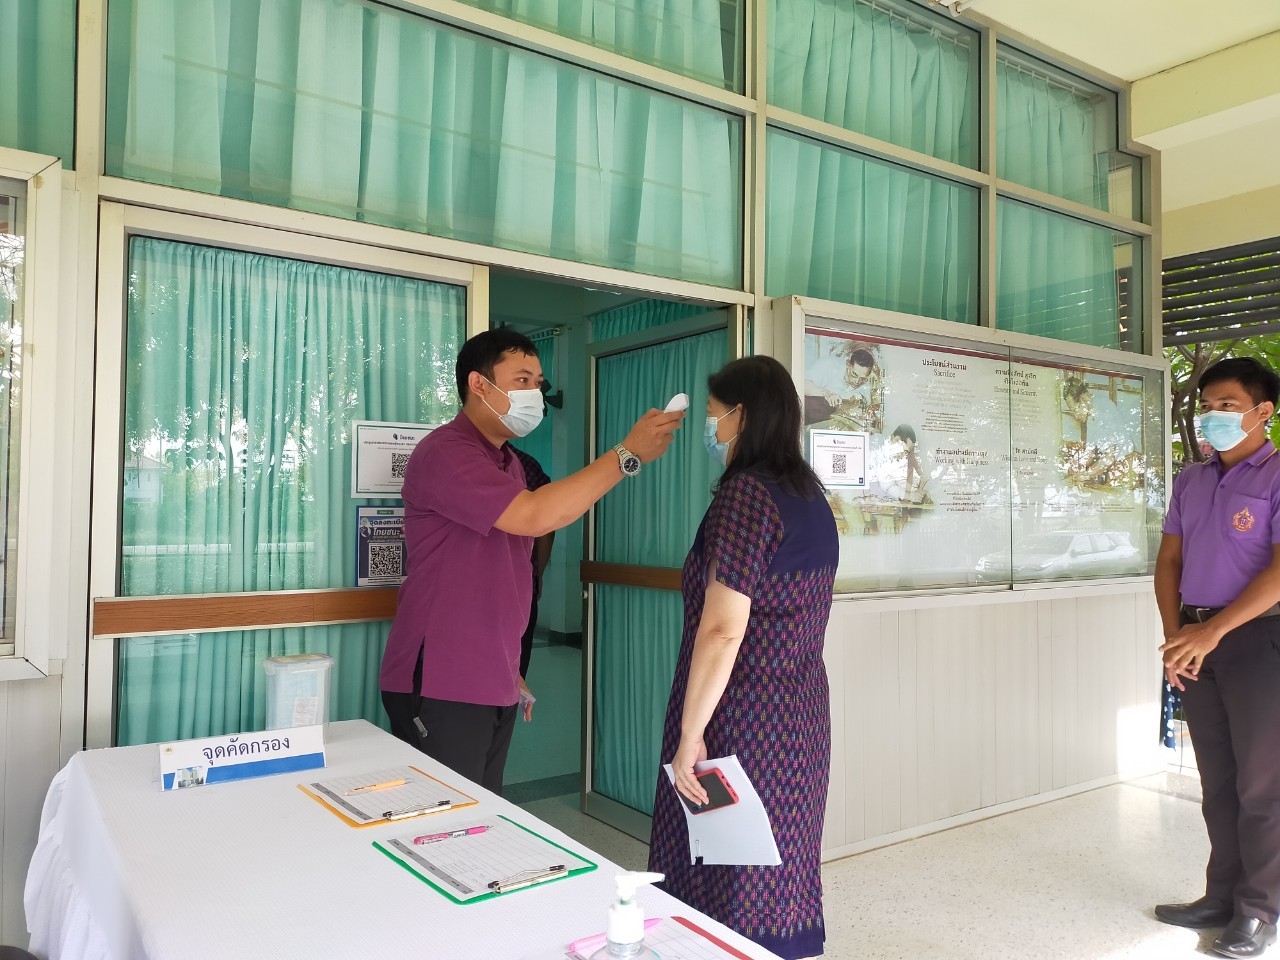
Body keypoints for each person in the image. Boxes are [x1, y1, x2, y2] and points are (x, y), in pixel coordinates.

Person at [379, 329, 684, 795]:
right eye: (521, 380)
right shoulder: (446, 452)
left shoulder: (509, 462)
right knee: (446, 816)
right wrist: (625, 455)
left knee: (484, 810)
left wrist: (507, 664)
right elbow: (536, 515)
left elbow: (512, 563)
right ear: (479, 384)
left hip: (491, 672)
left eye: (538, 383)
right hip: (443, 677)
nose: (534, 394)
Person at [648, 355, 838, 959]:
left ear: (742, 416)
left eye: (713, 414)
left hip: (740, 718)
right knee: (778, 865)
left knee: (725, 866)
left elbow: (722, 630)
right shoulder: (808, 495)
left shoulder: (746, 497)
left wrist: (690, 737)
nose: (710, 427)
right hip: (799, 716)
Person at [1155, 356, 1280, 959]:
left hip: (1260, 640)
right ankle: (1221, 895)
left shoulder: (1277, 475)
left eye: (1227, 405)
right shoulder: (1192, 480)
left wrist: (1214, 632)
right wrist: (1177, 636)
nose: (1213, 416)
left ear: (1263, 412)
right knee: (1218, 781)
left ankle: (1258, 910)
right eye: (1207, 406)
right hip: (1196, 639)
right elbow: (1169, 561)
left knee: (1263, 786)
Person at [510, 444, 553, 703]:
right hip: (521, 587)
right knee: (514, 674)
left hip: (498, 591)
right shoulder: (528, 464)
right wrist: (537, 575)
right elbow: (547, 528)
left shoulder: (466, 461)